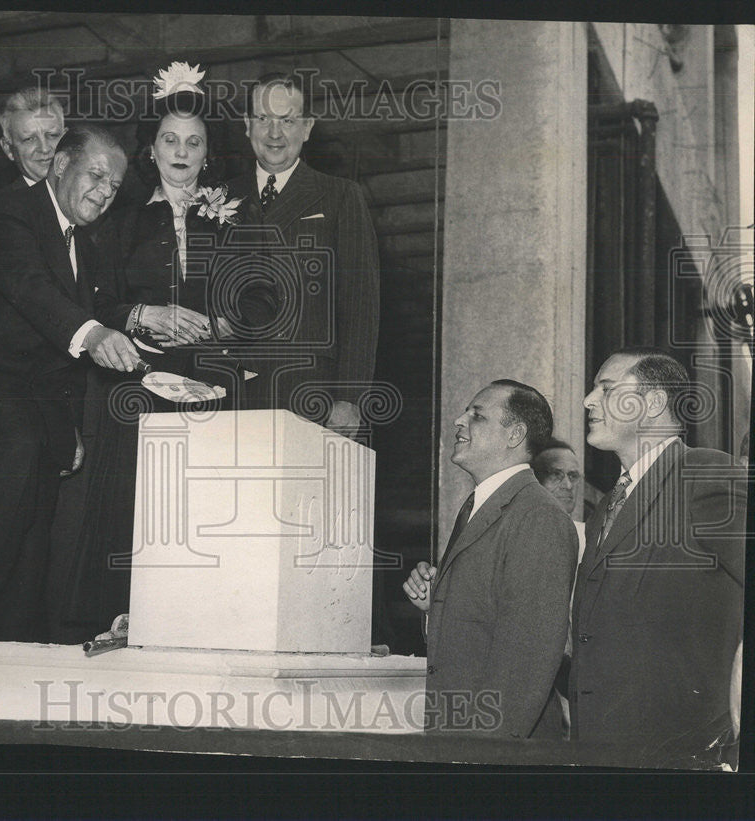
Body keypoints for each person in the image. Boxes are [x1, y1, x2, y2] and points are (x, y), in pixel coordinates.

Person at [48, 63, 276, 643]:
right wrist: (140, 317)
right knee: (132, 471)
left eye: (194, 141)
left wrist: (220, 321)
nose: (182, 150)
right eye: (170, 139)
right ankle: (117, 614)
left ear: (207, 153)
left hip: (213, 373)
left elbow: (264, 296)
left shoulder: (235, 217)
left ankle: (199, 620)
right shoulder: (118, 220)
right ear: (151, 149)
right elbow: (89, 298)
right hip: (137, 372)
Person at [0, 125, 141, 642]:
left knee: (38, 513)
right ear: (59, 164)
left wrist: (69, 428)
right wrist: (94, 335)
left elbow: (84, 322)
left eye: (114, 186)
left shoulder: (82, 244)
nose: (105, 192)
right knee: (18, 442)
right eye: (96, 175)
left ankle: (10, 645)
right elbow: (33, 291)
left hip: (33, 400)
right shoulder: (9, 213)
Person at [570, 347, 746, 767]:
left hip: (682, 756)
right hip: (600, 752)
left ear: (652, 403)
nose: (587, 401)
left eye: (606, 388)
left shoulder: (705, 476)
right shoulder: (603, 512)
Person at [403, 380, 578, 737]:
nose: (458, 421)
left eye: (477, 416)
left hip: (490, 745)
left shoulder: (538, 517)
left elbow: (525, 664)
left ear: (514, 435)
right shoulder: (478, 506)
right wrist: (434, 604)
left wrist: (481, 758)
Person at [227, 72, 380, 434]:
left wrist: (350, 397)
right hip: (230, 390)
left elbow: (360, 302)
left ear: (307, 127)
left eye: (287, 120)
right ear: (247, 125)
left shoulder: (340, 196)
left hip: (309, 390)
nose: (274, 133)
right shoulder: (219, 196)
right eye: (263, 119)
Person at [531, 437, 587, 735]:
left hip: (581, 684)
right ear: (535, 481)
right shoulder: (520, 538)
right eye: (556, 475)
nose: (568, 485)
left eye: (573, 476)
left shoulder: (589, 538)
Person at [0, 86, 66, 212]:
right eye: (29, 139)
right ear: (8, 149)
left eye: (52, 135)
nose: (44, 149)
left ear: (67, 139)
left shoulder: (94, 198)